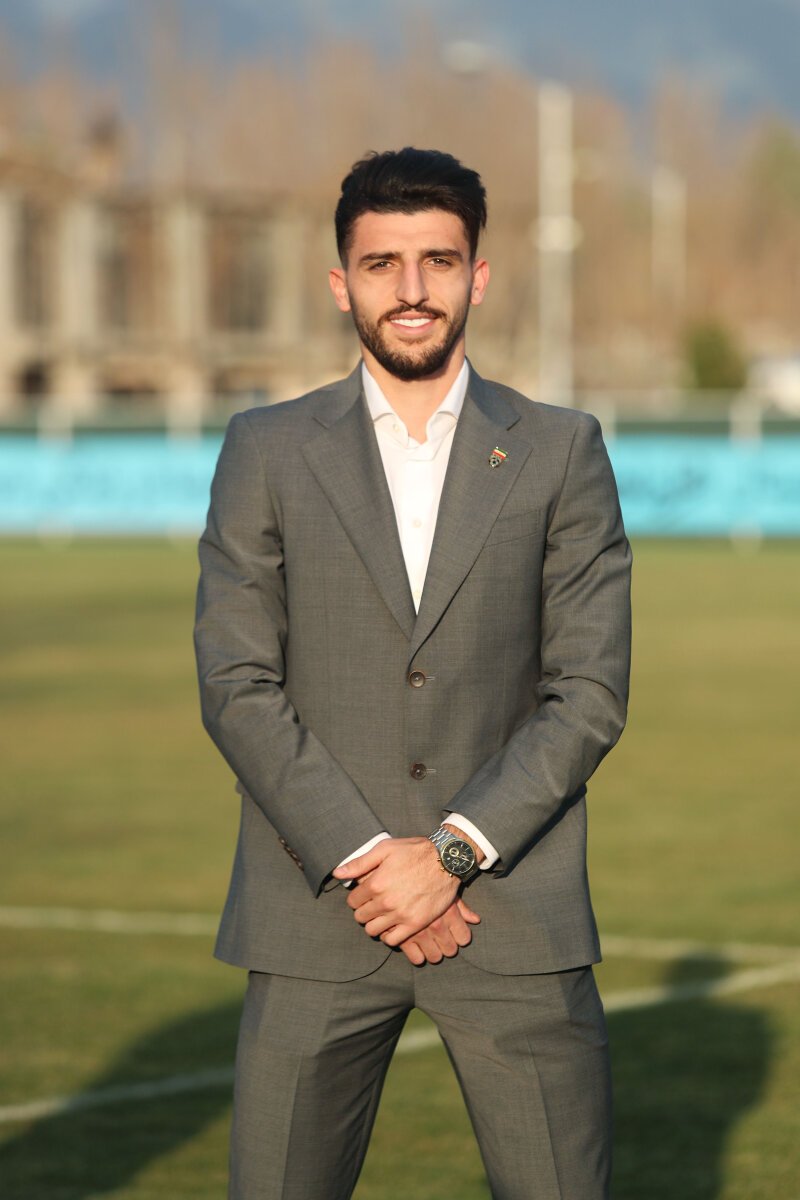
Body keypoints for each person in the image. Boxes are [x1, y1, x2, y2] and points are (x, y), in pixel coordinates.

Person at [194, 146, 632, 1200]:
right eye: (381, 263)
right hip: (314, 918)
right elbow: (236, 682)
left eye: (437, 260)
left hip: (511, 917)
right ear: (339, 282)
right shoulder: (265, 448)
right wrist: (369, 858)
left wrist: (449, 853)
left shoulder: (561, 449)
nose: (411, 289)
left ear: (477, 276)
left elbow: (587, 692)